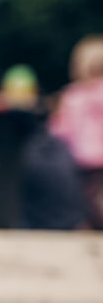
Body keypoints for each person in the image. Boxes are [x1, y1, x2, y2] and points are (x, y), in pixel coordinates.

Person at [49, 34, 103, 229]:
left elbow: (59, 129)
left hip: (79, 157)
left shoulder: (72, 95)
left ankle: (88, 222)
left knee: (84, 195)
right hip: (93, 157)